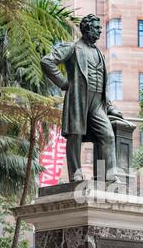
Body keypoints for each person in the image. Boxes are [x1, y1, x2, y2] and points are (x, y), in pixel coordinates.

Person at [41, 14, 121, 183]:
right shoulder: (73, 47)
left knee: (108, 135)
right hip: (79, 98)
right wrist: (64, 83)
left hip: (98, 102)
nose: (100, 30)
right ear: (86, 28)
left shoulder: (100, 53)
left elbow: (102, 81)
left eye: (100, 27)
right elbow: (47, 61)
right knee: (75, 135)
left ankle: (110, 174)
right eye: (96, 27)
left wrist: (109, 106)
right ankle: (75, 172)